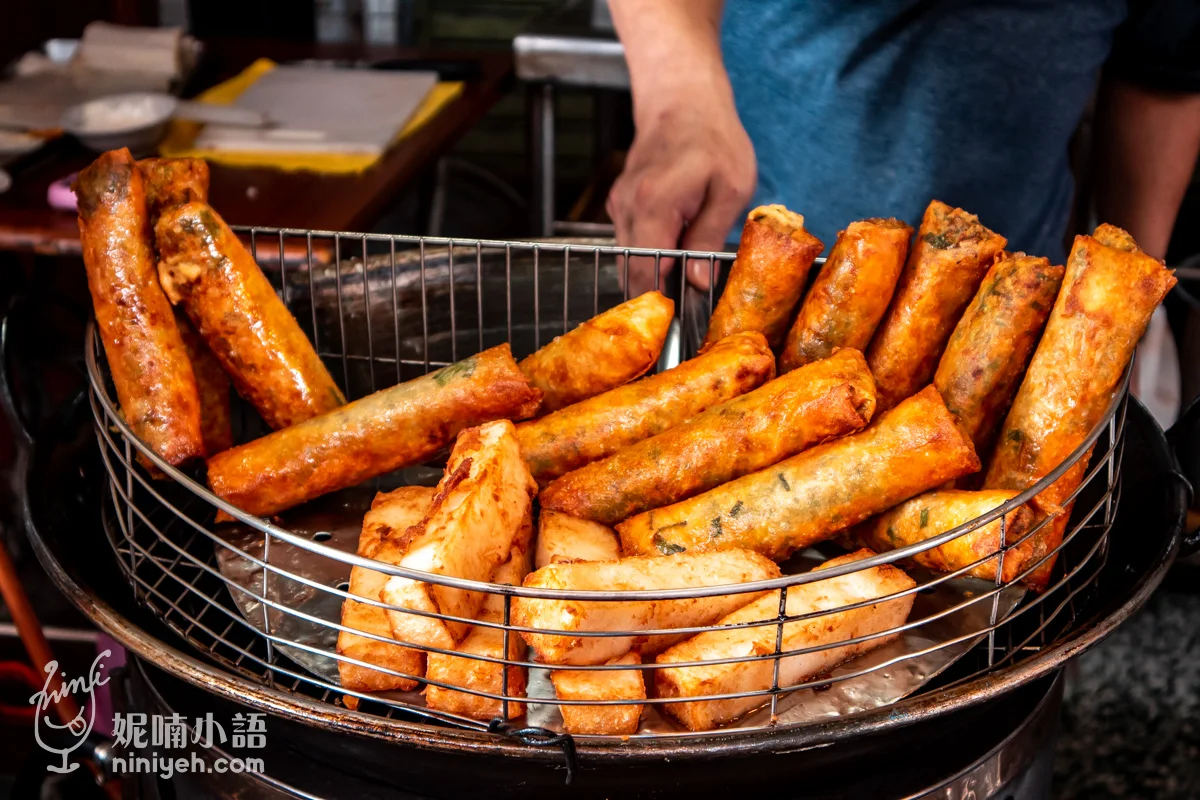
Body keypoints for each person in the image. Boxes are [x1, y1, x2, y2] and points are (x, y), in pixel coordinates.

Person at [606, 0, 1200, 296]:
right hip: (738, 267)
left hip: (1015, 295)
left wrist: (1124, 301)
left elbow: (1162, 68)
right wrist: (676, 94)